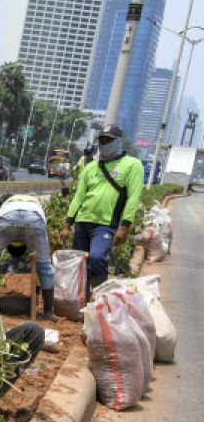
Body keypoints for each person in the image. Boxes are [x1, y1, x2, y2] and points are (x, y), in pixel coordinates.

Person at [60, 123, 145, 295]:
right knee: (80, 262)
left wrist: (124, 226)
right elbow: (79, 197)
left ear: (118, 141)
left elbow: (133, 198)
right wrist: (68, 224)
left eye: (108, 140)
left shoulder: (132, 165)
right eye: (102, 140)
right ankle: (81, 300)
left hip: (106, 224)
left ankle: (100, 298)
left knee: (97, 258)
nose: (104, 144)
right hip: (83, 221)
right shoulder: (90, 167)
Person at [0, 193, 55, 319]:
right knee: (45, 266)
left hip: (8, 217)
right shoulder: (33, 202)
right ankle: (48, 312)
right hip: (34, 218)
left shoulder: (4, 202)